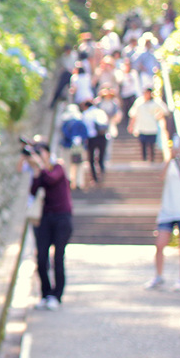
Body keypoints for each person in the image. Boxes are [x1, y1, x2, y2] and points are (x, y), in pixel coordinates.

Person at [144, 137, 180, 291]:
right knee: (160, 244)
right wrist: (170, 158)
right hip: (168, 210)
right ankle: (158, 276)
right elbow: (161, 177)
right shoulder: (171, 164)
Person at [28, 142, 73, 310]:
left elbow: (52, 179)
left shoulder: (58, 167)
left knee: (58, 258)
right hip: (46, 217)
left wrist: (40, 166)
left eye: (40, 152)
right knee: (41, 258)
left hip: (62, 217)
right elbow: (33, 191)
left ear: (47, 153)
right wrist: (35, 172)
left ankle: (57, 295)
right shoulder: (41, 172)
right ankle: (45, 293)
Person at [127, 88, 169, 163]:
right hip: (141, 127)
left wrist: (159, 115)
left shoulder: (156, 102)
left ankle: (151, 159)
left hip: (152, 127)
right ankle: (144, 159)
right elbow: (133, 114)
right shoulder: (139, 101)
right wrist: (131, 125)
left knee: (151, 144)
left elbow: (165, 110)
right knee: (143, 144)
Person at [61, 104, 89, 190]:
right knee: (79, 165)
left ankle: (68, 181)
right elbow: (85, 134)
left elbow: (65, 133)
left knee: (67, 164)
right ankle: (79, 182)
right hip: (79, 147)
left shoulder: (66, 123)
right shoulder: (80, 122)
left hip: (68, 147)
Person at [82, 99, 109, 186]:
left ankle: (94, 178)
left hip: (91, 138)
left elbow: (84, 127)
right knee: (101, 158)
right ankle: (102, 174)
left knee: (91, 159)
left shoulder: (86, 114)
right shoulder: (100, 112)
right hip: (102, 137)